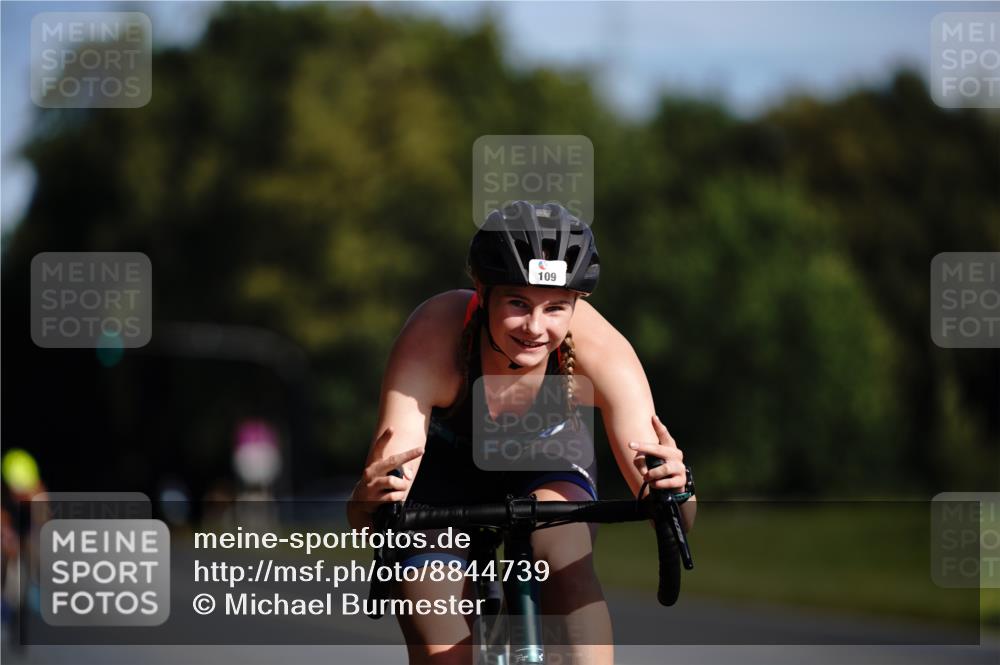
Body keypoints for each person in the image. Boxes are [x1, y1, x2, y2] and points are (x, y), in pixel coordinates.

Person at [347, 201, 696, 664]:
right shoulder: (432, 339)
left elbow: (669, 513)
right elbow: (373, 511)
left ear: (579, 303)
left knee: (563, 551)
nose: (535, 328)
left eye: (556, 308)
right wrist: (371, 504)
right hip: (443, 475)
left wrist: (677, 489)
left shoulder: (604, 351)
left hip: (546, 461)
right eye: (517, 303)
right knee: (431, 606)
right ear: (481, 290)